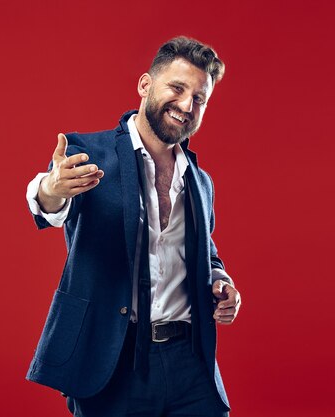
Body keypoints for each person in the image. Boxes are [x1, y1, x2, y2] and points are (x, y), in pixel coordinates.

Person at [25, 36, 241, 417]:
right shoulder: (89, 153)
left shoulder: (200, 180)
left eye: (199, 98)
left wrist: (221, 280)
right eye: (177, 88)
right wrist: (51, 187)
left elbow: (204, 247)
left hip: (191, 361)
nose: (186, 105)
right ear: (145, 85)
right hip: (112, 360)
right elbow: (49, 206)